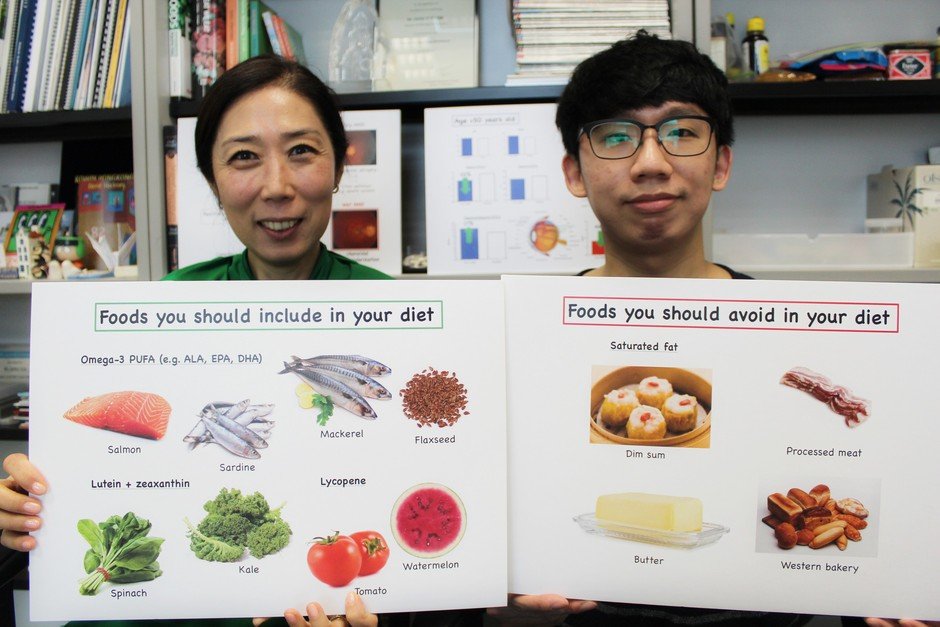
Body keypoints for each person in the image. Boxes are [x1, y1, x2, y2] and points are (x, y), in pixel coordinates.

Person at [486, 32, 936, 627]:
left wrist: (894, 586)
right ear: (574, 171)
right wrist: (493, 573)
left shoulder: (804, 342)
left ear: (720, 162)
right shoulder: (520, 334)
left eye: (681, 132)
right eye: (616, 136)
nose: (650, 163)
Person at [0, 54, 392, 627]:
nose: (277, 187)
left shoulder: (394, 312)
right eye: (243, 158)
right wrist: (31, 506)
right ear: (211, 180)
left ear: (337, 167)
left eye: (302, 151)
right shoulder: (165, 308)